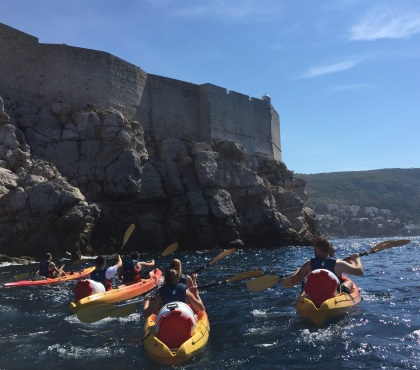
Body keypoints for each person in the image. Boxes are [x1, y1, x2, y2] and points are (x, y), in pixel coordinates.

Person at [288, 236, 363, 293]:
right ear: (328, 249)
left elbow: (293, 281)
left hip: (314, 294)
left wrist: (298, 272)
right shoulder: (338, 264)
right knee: (349, 282)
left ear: (316, 250)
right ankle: (342, 291)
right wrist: (357, 258)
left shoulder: (308, 264)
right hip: (332, 294)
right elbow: (360, 272)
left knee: (305, 281)